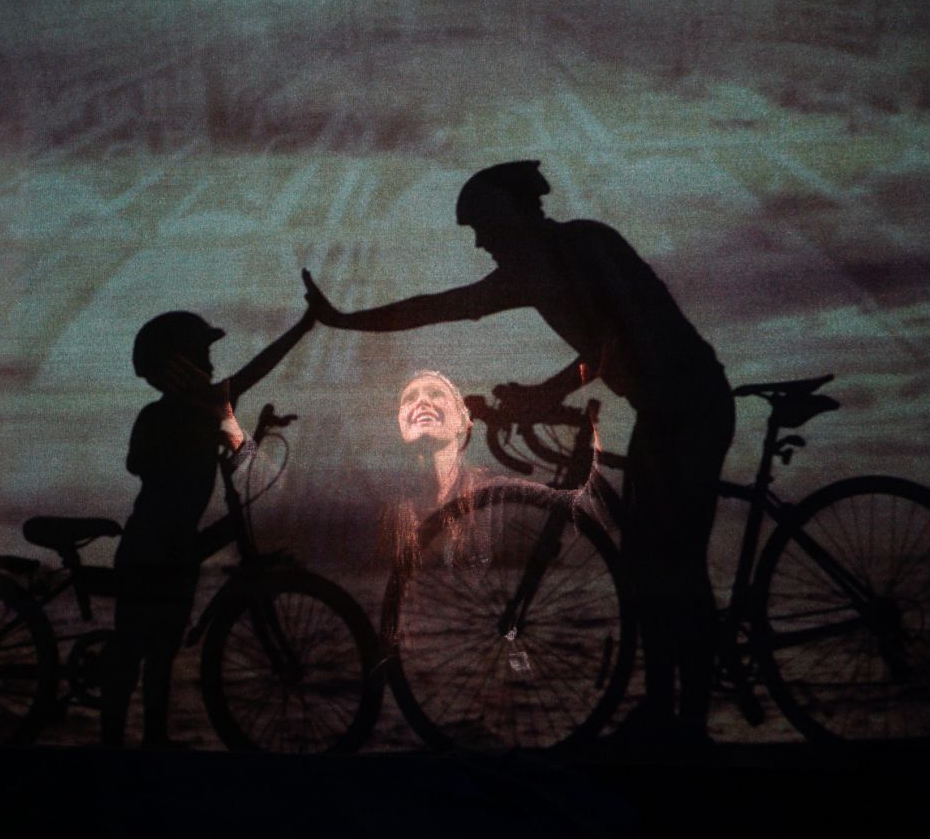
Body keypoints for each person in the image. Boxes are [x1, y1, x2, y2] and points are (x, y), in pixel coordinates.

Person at [303, 160, 734, 747]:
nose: (479, 242)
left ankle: (685, 724)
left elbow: (617, 336)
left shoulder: (587, 244)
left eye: (482, 226)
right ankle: (667, 716)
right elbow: (435, 306)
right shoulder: (528, 274)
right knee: (648, 564)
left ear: (510, 218)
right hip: (665, 412)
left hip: (691, 405)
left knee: (672, 564)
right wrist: (344, 321)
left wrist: (545, 393)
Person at [101, 285, 319, 749]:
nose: (212, 365)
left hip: (174, 553)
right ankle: (115, 749)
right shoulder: (163, 417)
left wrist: (250, 430)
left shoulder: (205, 413)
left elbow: (248, 397)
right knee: (135, 656)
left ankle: (146, 749)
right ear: (177, 364)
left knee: (157, 658)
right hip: (153, 552)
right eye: (202, 355)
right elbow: (142, 463)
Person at [380, 369, 490, 573]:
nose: (421, 402)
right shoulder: (385, 508)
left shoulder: (493, 494)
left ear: (463, 421)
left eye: (436, 394)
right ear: (400, 423)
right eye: (409, 399)